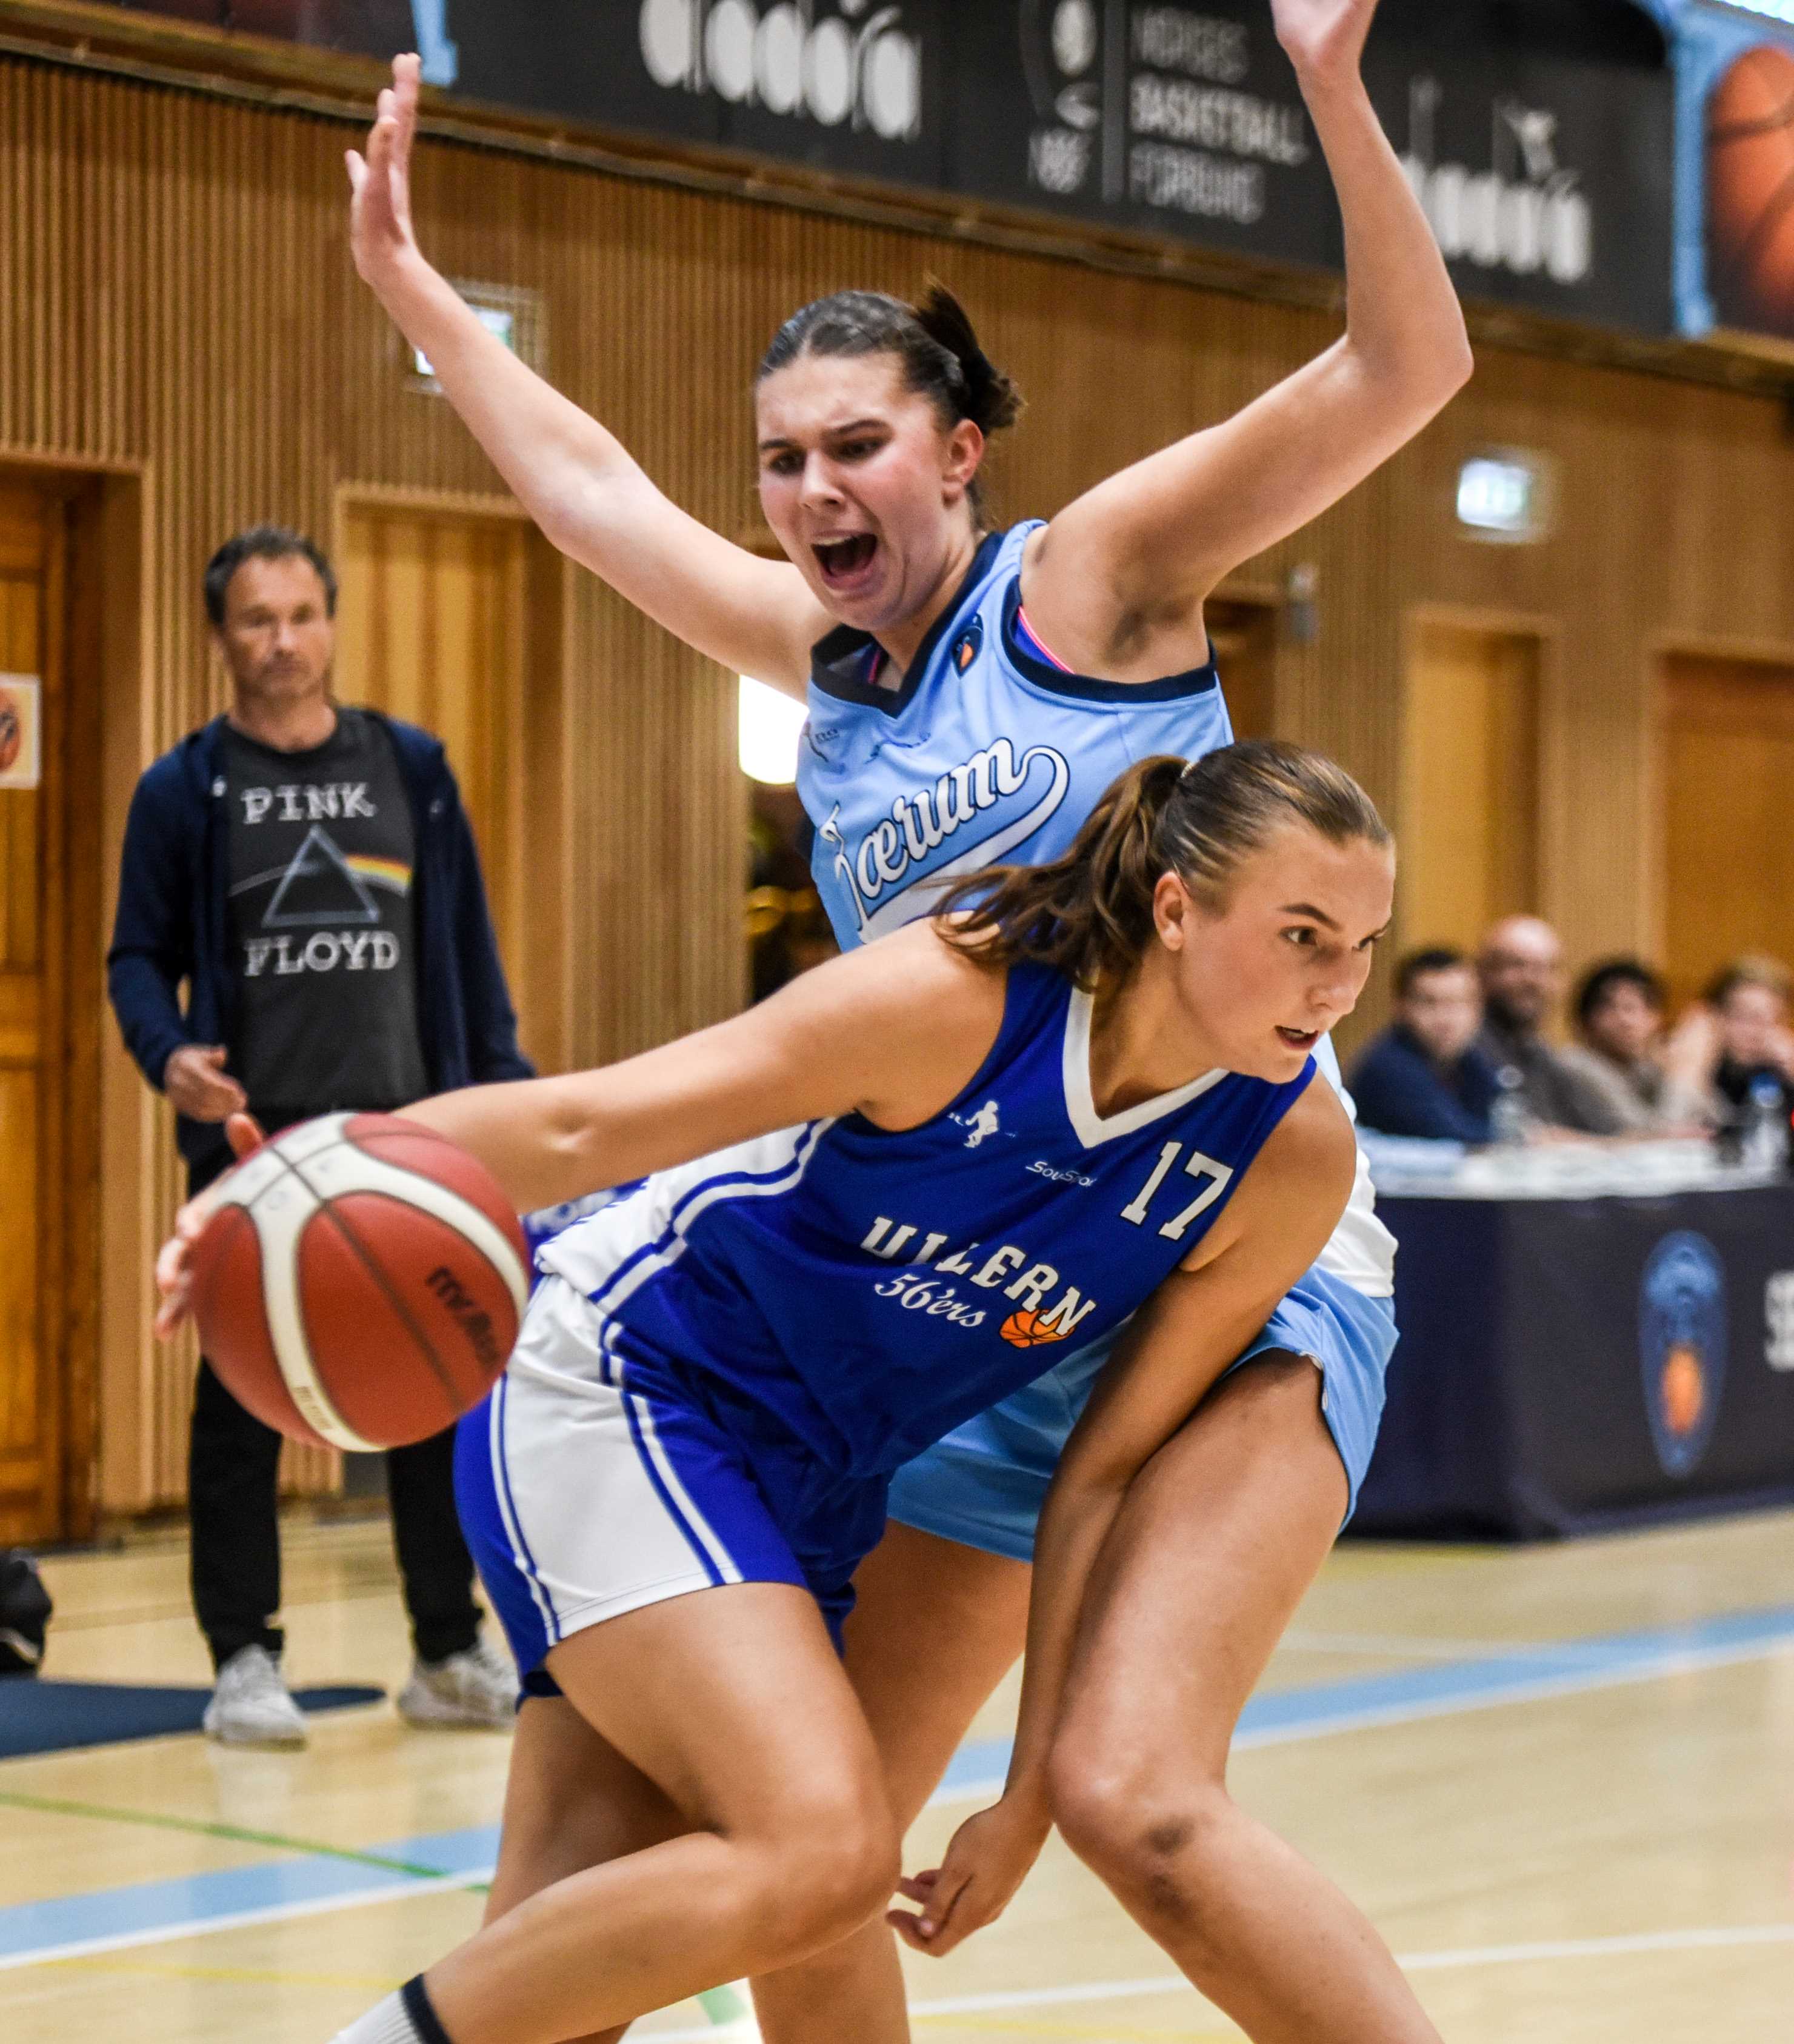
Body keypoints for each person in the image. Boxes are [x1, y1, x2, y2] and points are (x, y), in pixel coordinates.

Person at [343, 4, 1466, 2032]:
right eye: (781, 459)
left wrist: (1326, 88)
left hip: (1223, 1238)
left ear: (960, 452)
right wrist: (424, 299)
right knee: (817, 1851)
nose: (809, 488)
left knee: (1137, 1804)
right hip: (1003, 1286)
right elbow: (594, 500)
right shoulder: (830, 663)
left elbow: (1410, 369)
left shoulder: (1098, 582)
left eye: (856, 443)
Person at [160, 745, 1432, 2044]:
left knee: (597, 1966)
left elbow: (1095, 1476)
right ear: (1176, 910)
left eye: (1363, 946)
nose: (1336, 987)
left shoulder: (1286, 1155)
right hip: (632, 1386)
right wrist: (290, 1181)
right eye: (1300, 936)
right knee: (825, 1854)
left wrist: (1029, 1793)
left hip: (815, 1482)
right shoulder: (958, 997)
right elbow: (583, 1129)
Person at [107, 526, 532, 1745]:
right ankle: (243, 1658)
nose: (282, 641)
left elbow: (466, 954)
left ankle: (446, 1649)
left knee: (435, 1380)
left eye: (302, 614)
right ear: (221, 636)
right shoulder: (185, 788)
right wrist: (165, 1050)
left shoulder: (411, 768)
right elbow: (137, 956)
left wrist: (503, 1098)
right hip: (258, 1145)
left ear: (332, 622)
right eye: (256, 620)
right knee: (239, 1404)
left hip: (408, 1136)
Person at [1475, 916, 1617, 1138]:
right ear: (1483, 973)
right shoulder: (1465, 1048)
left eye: (1545, 969)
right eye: (1517, 965)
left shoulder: (1543, 1054)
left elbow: (1609, 1130)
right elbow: (1519, 1137)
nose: (1532, 980)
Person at [1349, 947, 1501, 1142]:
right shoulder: (1388, 1068)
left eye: (1458, 1002)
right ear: (1401, 1008)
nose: (1445, 1019)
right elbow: (1453, 1137)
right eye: (1430, 1003)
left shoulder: (1469, 1059)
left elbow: (1502, 1114)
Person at [1558, 959, 1707, 1139]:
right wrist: (1684, 1073)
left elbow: (1714, 1121)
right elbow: (1651, 1137)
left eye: (1636, 1008)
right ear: (1586, 1020)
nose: (1626, 1021)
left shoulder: (1643, 1066)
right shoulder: (1577, 1065)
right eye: (1611, 1007)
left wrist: (1693, 1066)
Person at [1666, 956, 1794, 1144]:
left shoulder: (1778, 1071)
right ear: (1713, 1016)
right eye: (1745, 1018)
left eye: (1771, 1020)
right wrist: (1688, 1069)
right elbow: (1668, 1135)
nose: (1758, 1033)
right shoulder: (1686, 1064)